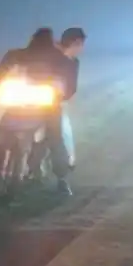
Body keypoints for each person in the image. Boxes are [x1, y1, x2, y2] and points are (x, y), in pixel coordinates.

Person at [0, 27, 69, 191]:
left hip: (47, 104)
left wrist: (60, 90)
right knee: (4, 134)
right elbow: (1, 70)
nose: (40, 47)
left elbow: (66, 79)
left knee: (55, 137)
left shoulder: (58, 57)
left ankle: (61, 179)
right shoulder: (19, 54)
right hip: (22, 100)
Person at [28, 26, 86, 196]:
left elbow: (70, 88)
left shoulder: (72, 62)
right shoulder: (50, 55)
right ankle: (26, 170)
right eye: (80, 44)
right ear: (76, 43)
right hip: (31, 100)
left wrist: (61, 94)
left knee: (57, 137)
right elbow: (30, 71)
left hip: (52, 103)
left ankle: (62, 179)